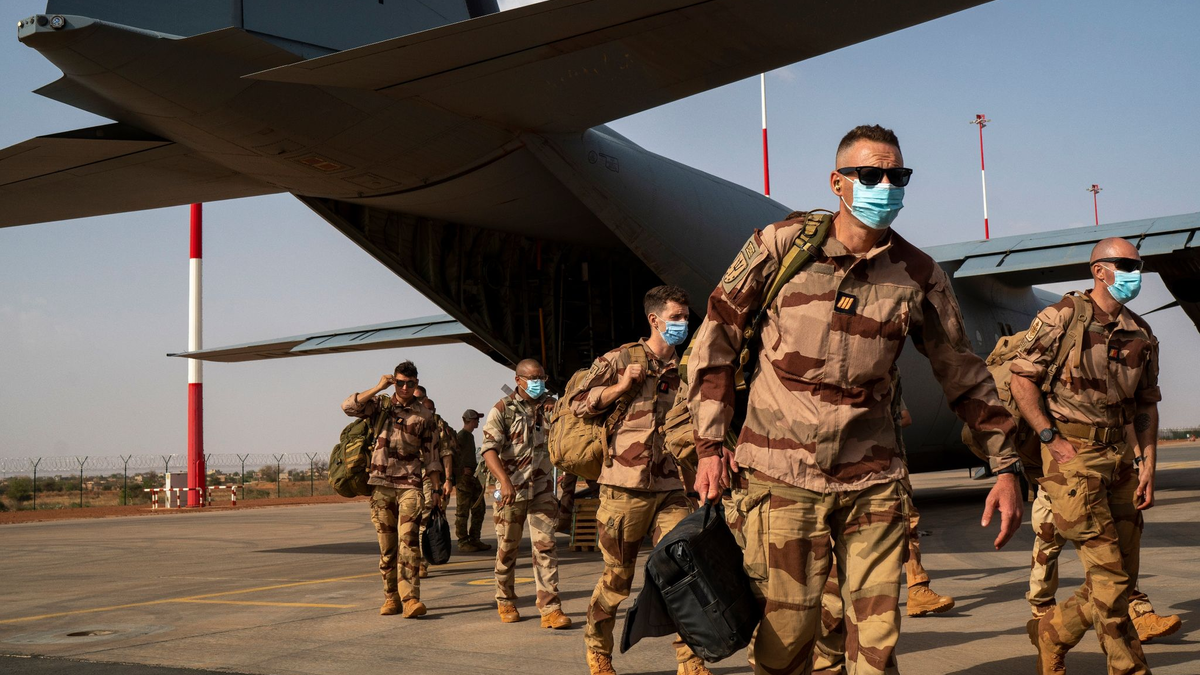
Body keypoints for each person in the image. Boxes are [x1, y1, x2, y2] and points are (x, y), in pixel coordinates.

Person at [687, 125, 1023, 675]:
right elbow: (718, 336)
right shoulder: (781, 246)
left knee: (876, 637)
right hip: (780, 473)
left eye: (897, 176)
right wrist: (707, 444)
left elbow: (964, 373)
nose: (885, 185)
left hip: (872, 480)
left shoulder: (919, 274)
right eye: (871, 175)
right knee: (786, 635)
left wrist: (1006, 464)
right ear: (838, 183)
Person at [1010, 237, 1163, 674]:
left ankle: (1052, 633)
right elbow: (1022, 379)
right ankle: (1128, 668)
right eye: (1126, 264)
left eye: (1138, 264)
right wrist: (1049, 437)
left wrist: (1148, 462)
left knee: (1119, 579)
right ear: (1099, 270)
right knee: (1111, 579)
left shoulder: (1141, 332)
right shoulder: (1060, 317)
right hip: (1073, 460)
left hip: (1120, 458)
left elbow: (1147, 403)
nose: (1135, 272)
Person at [571, 285, 713, 675]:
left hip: (672, 488)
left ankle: (690, 659)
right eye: (677, 317)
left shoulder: (687, 366)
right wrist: (619, 386)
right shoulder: (621, 359)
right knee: (617, 579)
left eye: (686, 317)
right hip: (624, 487)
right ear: (655, 319)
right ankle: (598, 649)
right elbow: (578, 404)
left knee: (682, 571)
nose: (683, 324)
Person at [342, 360, 443, 618]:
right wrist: (378, 386)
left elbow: (432, 456)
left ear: (416, 384)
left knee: (408, 542)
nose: (405, 387)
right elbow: (349, 406)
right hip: (381, 484)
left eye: (410, 383)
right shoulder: (380, 407)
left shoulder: (425, 416)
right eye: (400, 382)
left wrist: (437, 488)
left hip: (410, 483)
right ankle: (391, 597)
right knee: (387, 548)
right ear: (394, 382)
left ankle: (410, 599)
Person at [479, 358, 571, 629]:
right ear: (518, 380)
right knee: (507, 548)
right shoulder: (502, 410)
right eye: (532, 378)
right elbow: (488, 450)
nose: (538, 382)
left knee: (546, 547)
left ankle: (550, 608)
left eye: (541, 377)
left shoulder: (552, 408)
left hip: (542, 489)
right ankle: (505, 598)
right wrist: (504, 482)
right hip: (511, 491)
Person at [416, 395, 456, 577]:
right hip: (410, 479)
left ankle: (421, 562)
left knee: (427, 519)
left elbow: (446, 453)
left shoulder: (438, 425)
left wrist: (447, 480)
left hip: (431, 479)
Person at [455, 409, 490, 552]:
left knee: (479, 507)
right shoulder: (461, 436)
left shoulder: (469, 436)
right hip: (464, 478)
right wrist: (461, 470)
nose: (478, 421)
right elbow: (452, 455)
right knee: (462, 511)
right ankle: (463, 541)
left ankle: (475, 539)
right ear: (469, 420)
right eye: (475, 419)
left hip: (472, 477)